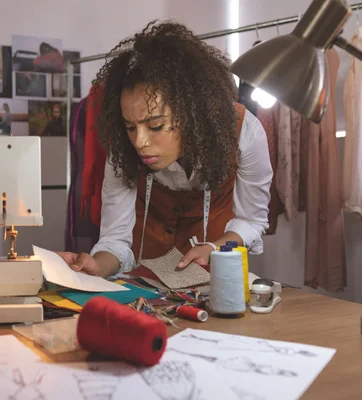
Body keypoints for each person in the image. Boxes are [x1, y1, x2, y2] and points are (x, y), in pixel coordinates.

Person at [56, 21, 273, 278]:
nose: (139, 141)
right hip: (147, 279)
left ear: (192, 114)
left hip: (216, 278)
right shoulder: (123, 149)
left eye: (156, 126)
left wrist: (215, 247)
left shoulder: (244, 132)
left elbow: (251, 220)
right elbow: (115, 239)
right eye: (130, 126)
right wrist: (96, 266)